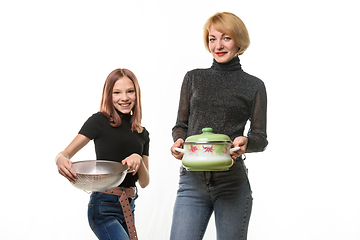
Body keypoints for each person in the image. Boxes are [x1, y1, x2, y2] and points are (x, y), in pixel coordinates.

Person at [170, 12, 268, 240]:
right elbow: (180, 125)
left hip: (232, 181)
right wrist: (179, 140)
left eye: (225, 38)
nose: (218, 45)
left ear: (239, 41)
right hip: (191, 180)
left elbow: (260, 137)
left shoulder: (254, 86)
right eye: (212, 39)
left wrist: (248, 142)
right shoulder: (193, 78)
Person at [55, 68, 150, 240]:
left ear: (137, 93)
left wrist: (138, 158)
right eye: (117, 92)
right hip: (103, 207)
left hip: (129, 206)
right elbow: (65, 153)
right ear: (108, 95)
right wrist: (60, 159)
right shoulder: (99, 121)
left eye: (130, 91)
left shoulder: (142, 133)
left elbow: (144, 182)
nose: (124, 98)